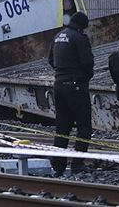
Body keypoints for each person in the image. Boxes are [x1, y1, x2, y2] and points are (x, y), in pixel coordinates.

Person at [48, 11, 93, 176]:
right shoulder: (79, 38)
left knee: (62, 127)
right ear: (82, 26)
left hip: (58, 85)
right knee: (84, 126)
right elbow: (87, 62)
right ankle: (77, 163)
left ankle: (58, 165)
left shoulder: (58, 36)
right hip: (76, 86)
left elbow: (51, 60)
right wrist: (84, 77)